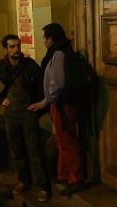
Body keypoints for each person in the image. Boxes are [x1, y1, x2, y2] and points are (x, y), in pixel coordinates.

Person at [0, 34, 51, 201]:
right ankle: (23, 180)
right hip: (11, 114)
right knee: (16, 149)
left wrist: (38, 104)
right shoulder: (0, 66)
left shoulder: (29, 65)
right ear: (5, 49)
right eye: (12, 46)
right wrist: (0, 99)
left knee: (34, 149)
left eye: (17, 46)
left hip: (28, 113)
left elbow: (41, 83)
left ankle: (41, 186)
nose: (16, 49)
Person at [29, 23, 86, 196]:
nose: (44, 42)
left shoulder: (59, 54)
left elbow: (58, 83)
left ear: (51, 39)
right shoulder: (63, 51)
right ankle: (64, 174)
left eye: (44, 38)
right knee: (62, 140)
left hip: (63, 104)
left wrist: (46, 102)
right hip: (60, 103)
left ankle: (76, 178)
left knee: (67, 141)